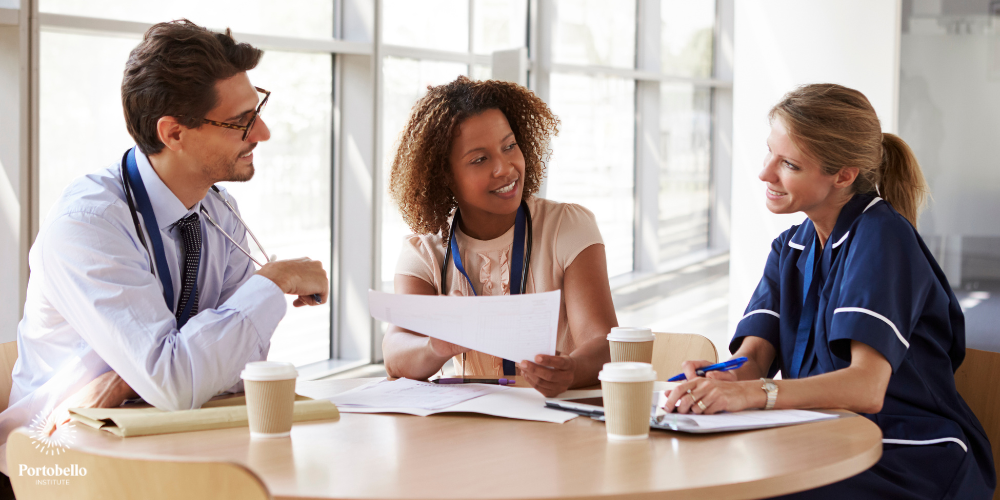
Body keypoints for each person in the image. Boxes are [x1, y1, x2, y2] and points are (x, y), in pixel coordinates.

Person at [0, 19, 329, 452]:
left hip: (172, 436)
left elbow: (236, 367)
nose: (262, 134)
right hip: (63, 454)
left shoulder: (219, 210)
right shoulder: (87, 225)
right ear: (173, 133)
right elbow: (177, 384)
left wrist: (126, 378)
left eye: (258, 112)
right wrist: (274, 280)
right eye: (241, 122)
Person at [664, 83, 995, 498]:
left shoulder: (883, 237)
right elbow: (753, 360)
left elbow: (866, 388)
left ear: (844, 175)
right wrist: (718, 384)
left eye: (789, 164)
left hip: (906, 453)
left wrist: (751, 394)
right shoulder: (791, 247)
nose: (765, 172)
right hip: (821, 438)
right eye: (770, 152)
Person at [382, 76, 617, 397]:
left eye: (509, 146)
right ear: (444, 175)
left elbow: (603, 341)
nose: (504, 168)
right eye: (480, 159)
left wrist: (571, 370)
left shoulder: (568, 226)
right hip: (472, 424)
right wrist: (436, 346)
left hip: (555, 418)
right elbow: (396, 354)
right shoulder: (425, 250)